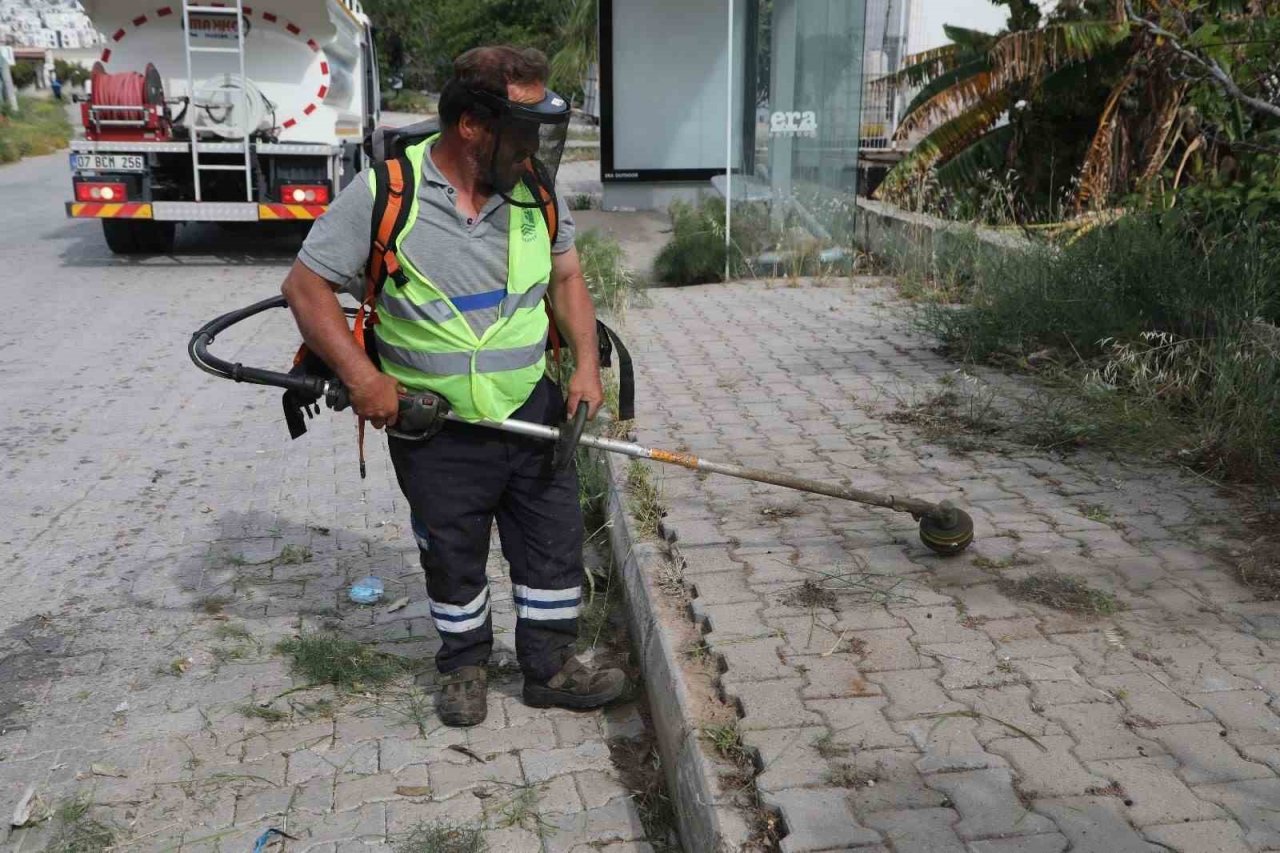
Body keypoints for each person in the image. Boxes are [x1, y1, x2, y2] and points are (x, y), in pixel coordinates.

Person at [280, 45, 627, 727]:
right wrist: (363, 376)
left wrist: (586, 363)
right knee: (453, 552)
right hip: (433, 427)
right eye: (522, 127)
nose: (534, 147)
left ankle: (551, 665)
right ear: (470, 125)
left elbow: (566, 280)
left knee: (552, 544)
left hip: (531, 411)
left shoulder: (536, 192)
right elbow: (305, 286)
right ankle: (465, 664)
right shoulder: (386, 193)